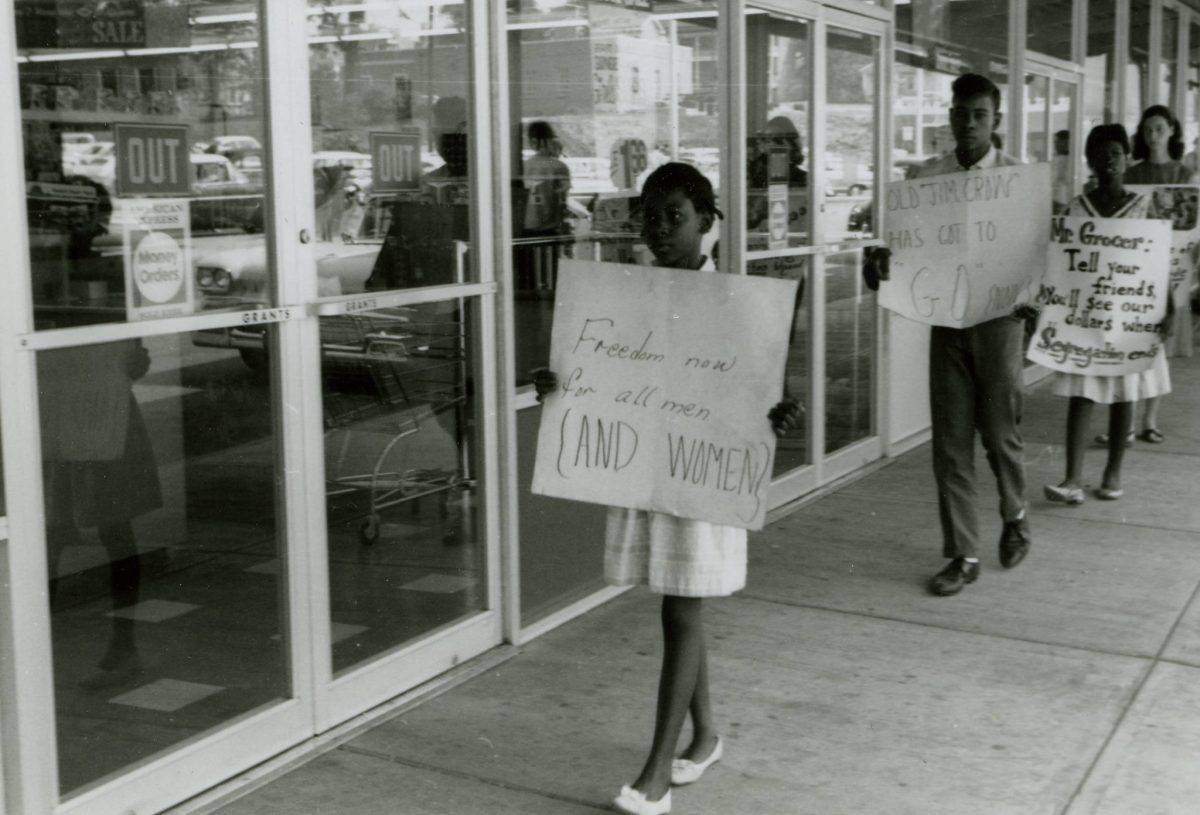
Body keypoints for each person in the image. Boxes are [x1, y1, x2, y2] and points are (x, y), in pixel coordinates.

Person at [533, 163, 800, 815]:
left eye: (674, 216)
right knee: (684, 598)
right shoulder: (629, 294)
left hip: (702, 474)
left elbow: (758, 390)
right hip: (651, 466)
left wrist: (779, 413)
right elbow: (602, 368)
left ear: (707, 222)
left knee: (681, 607)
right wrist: (560, 383)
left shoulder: (739, 303)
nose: (659, 229)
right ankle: (704, 734)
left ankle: (656, 770)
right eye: (650, 217)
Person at [863, 73, 1031, 597]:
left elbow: (1036, 256)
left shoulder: (1018, 180)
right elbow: (894, 245)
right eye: (961, 112)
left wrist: (1033, 296)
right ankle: (963, 553)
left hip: (999, 322)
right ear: (951, 116)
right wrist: (880, 260)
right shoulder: (926, 179)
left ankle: (1015, 512)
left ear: (996, 121)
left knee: (1000, 434)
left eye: (980, 114)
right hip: (947, 322)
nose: (969, 123)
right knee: (951, 442)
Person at [1040, 124, 1172, 504]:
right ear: (1089, 161)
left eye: (1115, 152)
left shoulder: (1144, 208)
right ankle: (1072, 478)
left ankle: (1113, 472)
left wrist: (1165, 307)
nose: (1108, 160)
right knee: (1081, 395)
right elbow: (1061, 262)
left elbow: (1159, 262)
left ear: (1127, 158)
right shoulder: (1077, 209)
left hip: (1131, 313)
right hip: (1087, 318)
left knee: (1123, 394)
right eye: (1100, 154)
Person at [1102, 104, 1197, 445]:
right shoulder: (1132, 174)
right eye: (1147, 130)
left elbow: (1192, 226)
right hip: (1134, 270)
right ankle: (1124, 423)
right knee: (1129, 343)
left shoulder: (1185, 175)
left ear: (1172, 130)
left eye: (1159, 128)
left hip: (1169, 268)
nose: (1153, 135)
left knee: (1157, 347)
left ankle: (1149, 420)